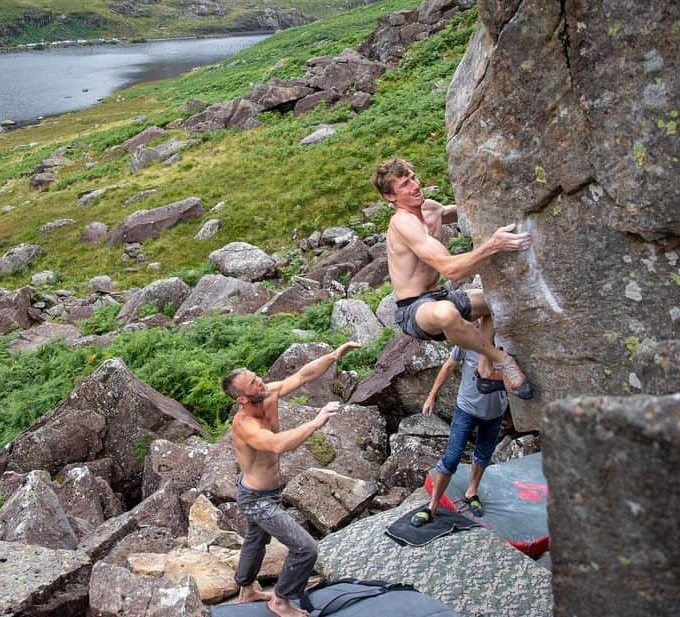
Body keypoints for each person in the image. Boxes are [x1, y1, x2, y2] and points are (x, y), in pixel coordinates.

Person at [371, 157, 534, 398]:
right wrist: (492, 245)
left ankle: (486, 371)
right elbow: (451, 270)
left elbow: (465, 211)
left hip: (440, 296)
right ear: (390, 196)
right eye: (405, 184)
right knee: (446, 313)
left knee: (493, 301)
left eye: (413, 177)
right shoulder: (402, 224)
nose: (415, 185)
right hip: (414, 309)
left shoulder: (431, 209)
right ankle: (501, 359)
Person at [223, 341, 362, 617]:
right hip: (255, 498)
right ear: (241, 398)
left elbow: (302, 375)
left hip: (268, 491)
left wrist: (334, 355)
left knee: (255, 540)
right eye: (252, 382)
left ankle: (246, 589)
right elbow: (275, 445)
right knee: (306, 548)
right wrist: (316, 421)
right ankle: (281, 600)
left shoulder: (267, 393)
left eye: (256, 376)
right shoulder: (245, 425)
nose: (259, 381)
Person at [410, 316, 508, 527]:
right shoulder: (467, 342)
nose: (483, 325)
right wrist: (432, 396)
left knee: (483, 454)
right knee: (452, 457)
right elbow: (448, 366)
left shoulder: (505, 345)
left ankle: (472, 491)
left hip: (495, 412)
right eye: (481, 321)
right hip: (467, 409)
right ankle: (432, 506)